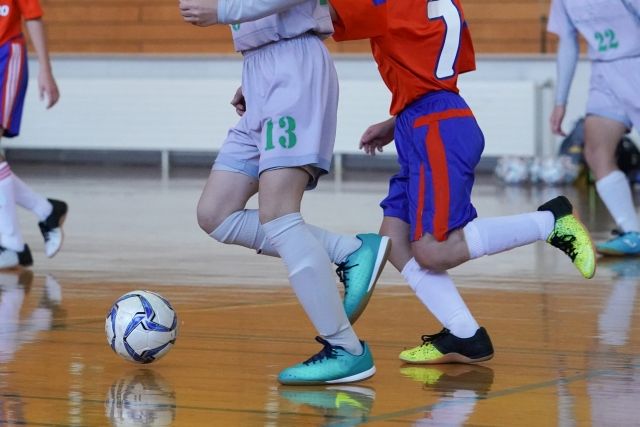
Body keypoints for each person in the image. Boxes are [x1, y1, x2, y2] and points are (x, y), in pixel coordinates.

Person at [181, 0, 596, 365]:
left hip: (435, 126)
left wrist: (229, 18)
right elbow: (432, 75)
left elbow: (316, 16)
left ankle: (550, 223)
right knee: (394, 241)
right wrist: (396, 122)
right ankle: (466, 335)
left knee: (436, 249)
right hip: (424, 118)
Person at [178, 0, 391, 385]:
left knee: (277, 212)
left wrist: (223, 11)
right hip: (263, 70)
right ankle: (350, 251)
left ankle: (346, 349)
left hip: (293, 70)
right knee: (215, 214)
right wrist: (256, 71)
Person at [547, 0, 640, 256]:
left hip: (636, 63)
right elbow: (567, 42)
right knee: (596, 151)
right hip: (604, 72)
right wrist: (560, 101)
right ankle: (632, 232)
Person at [0, 0, 67, 269]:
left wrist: (45, 70)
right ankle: (47, 211)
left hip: (7, 56)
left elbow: (34, 17)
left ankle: (13, 244)